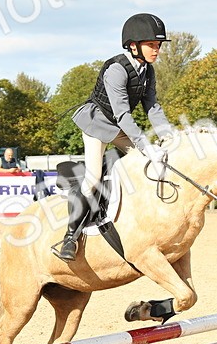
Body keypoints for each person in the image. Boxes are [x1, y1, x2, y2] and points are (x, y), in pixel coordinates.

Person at [52, 13, 174, 261]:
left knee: (144, 164)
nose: (156, 50)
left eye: (158, 45)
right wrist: (145, 145)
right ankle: (70, 237)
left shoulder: (147, 71)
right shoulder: (116, 69)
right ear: (133, 45)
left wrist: (168, 135)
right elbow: (123, 114)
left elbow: (152, 107)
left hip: (119, 128)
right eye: (152, 44)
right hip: (97, 124)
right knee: (94, 178)